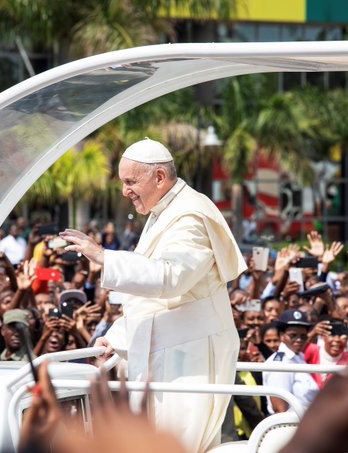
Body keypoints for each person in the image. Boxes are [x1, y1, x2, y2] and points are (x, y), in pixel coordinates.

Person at [60, 138, 246, 452]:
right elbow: (153, 300)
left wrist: (105, 256)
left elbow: (170, 278)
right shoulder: (165, 210)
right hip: (170, 355)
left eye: (131, 182)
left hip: (190, 361)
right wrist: (117, 337)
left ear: (159, 177)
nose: (124, 191)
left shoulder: (190, 216)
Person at [262, 309, 319, 413]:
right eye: (293, 335)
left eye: (303, 336)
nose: (299, 340)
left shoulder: (299, 357)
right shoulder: (280, 363)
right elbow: (280, 409)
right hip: (291, 425)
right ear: (282, 336)